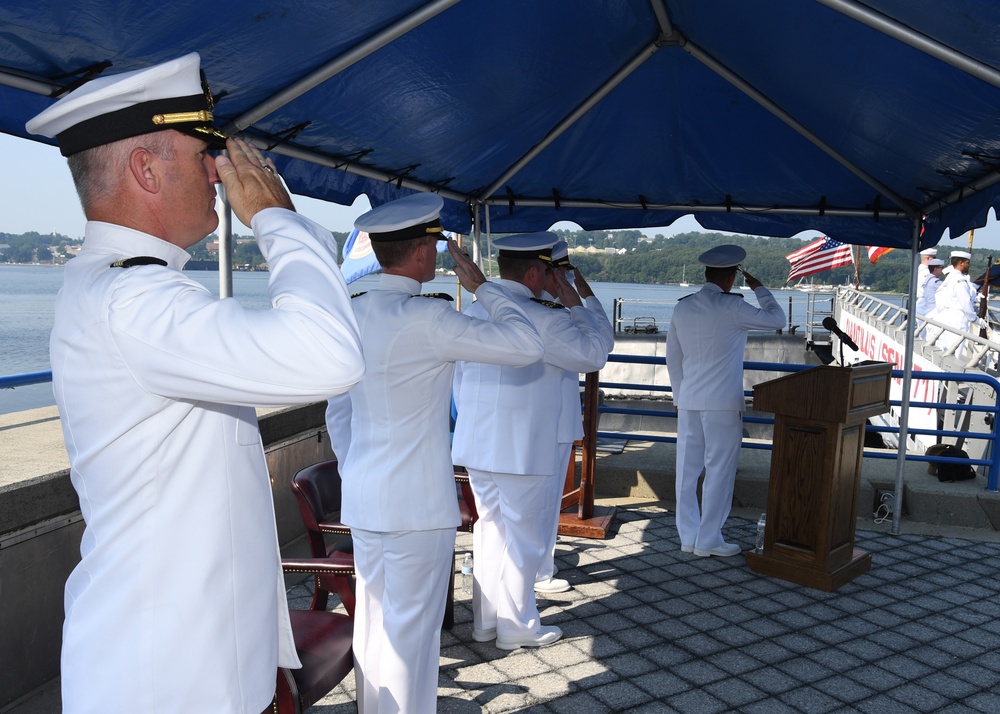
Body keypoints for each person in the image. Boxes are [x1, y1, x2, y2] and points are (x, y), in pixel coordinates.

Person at [25, 53, 365, 714]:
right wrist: (278, 220)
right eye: (201, 152)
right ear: (146, 169)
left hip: (184, 661)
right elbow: (330, 353)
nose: (218, 170)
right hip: (163, 677)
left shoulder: (123, 288)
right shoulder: (134, 299)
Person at [324, 193, 544, 713]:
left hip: (363, 498)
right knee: (411, 634)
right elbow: (526, 345)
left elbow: (337, 412)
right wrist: (485, 288)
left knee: (375, 625)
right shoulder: (427, 318)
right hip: (417, 506)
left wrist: (357, 467)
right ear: (424, 252)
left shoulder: (350, 313)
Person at [452, 232, 611, 650]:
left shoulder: (474, 310)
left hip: (477, 445)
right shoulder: (545, 318)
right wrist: (574, 301)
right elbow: (595, 353)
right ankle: (518, 625)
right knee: (523, 538)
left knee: (490, 532)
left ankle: (486, 622)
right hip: (523, 449)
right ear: (538, 271)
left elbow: (460, 380)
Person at [666, 245, 785, 557]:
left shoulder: (683, 307)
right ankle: (708, 539)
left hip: (689, 400)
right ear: (732, 278)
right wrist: (760, 289)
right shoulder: (734, 307)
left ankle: (688, 536)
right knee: (719, 470)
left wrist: (679, 396)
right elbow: (777, 320)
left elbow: (672, 357)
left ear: (707, 274)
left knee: (686, 470)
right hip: (722, 403)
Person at [534, 241, 614, 594]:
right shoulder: (562, 315)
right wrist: (582, 295)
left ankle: (532, 573)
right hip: (553, 423)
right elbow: (604, 344)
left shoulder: (514, 309)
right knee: (544, 505)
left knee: (521, 512)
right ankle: (538, 573)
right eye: (563, 273)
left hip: (525, 424)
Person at [934, 250, 983, 358]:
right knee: (954, 355)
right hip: (957, 322)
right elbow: (965, 303)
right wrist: (975, 319)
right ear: (961, 263)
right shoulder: (960, 280)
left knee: (946, 352)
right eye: (967, 263)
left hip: (946, 319)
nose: (968, 266)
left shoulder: (949, 278)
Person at [918, 258, 945, 340]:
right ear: (936, 269)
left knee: (927, 337)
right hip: (934, 312)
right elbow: (949, 290)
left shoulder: (928, 279)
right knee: (934, 338)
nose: (942, 270)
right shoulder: (935, 282)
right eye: (941, 268)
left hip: (928, 311)